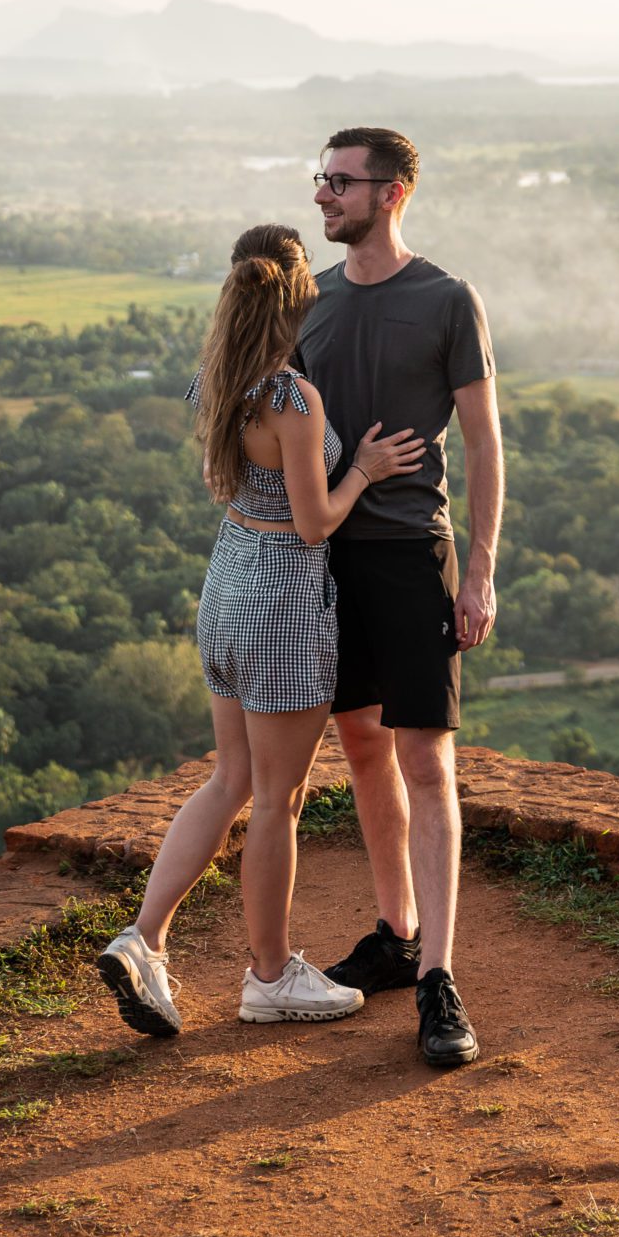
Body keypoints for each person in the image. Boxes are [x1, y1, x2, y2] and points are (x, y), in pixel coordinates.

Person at [96, 223, 426, 1037]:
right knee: (277, 800)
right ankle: (270, 977)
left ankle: (144, 937)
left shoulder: (217, 382)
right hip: (281, 594)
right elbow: (316, 523)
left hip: (228, 584)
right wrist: (364, 469)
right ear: (297, 298)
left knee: (229, 778)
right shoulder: (290, 399)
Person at [297, 127, 504, 1069]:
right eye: (321, 180)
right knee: (362, 750)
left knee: (425, 760)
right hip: (327, 558)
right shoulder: (310, 300)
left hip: (413, 553)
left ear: (392, 194)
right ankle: (395, 932)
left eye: (338, 182)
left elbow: (484, 442)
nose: (322, 196)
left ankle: (438, 979)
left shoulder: (447, 299)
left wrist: (481, 568)